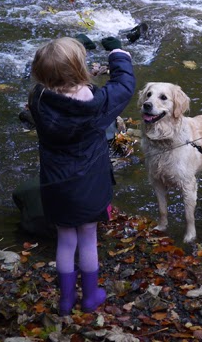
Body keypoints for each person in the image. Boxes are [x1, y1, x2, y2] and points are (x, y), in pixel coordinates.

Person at [27, 36, 135, 316]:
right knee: (88, 237)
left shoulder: (37, 99)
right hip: (89, 185)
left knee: (65, 240)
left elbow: (57, 87)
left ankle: (65, 301)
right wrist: (119, 56)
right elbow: (123, 86)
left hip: (55, 185)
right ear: (80, 71)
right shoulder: (96, 105)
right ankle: (90, 297)